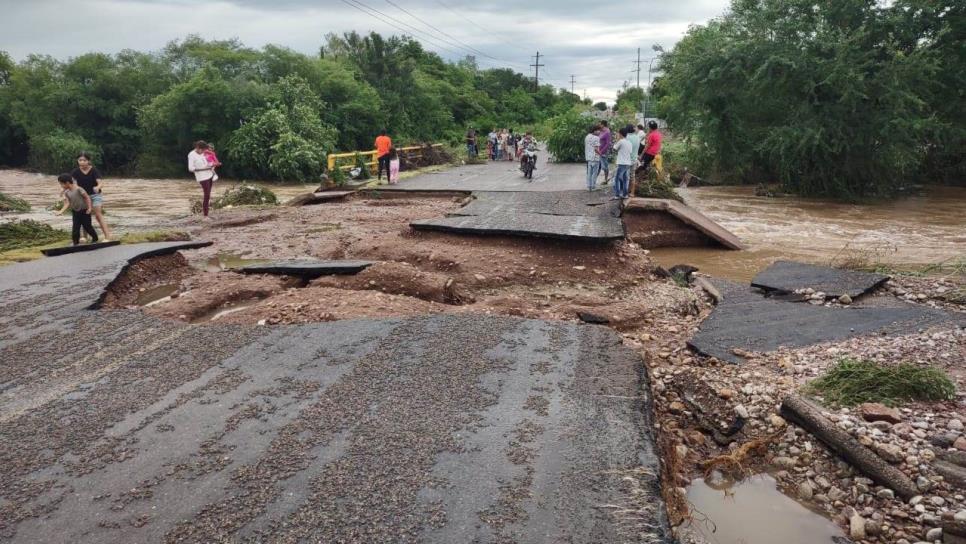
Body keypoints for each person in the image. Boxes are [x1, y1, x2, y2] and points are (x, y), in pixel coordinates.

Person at [71, 152, 112, 241]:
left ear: (88, 161)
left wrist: (98, 187)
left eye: (84, 160)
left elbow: (100, 183)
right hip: (83, 197)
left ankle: (107, 237)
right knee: (84, 216)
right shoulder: (75, 172)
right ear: (77, 161)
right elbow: (73, 184)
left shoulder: (94, 170)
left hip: (95, 195)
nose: (82, 162)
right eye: (80, 160)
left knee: (98, 215)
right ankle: (84, 237)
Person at [56, 173, 97, 245]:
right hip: (75, 212)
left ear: (67, 183)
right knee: (75, 229)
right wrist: (61, 211)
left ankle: (95, 238)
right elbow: (67, 203)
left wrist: (90, 208)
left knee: (88, 227)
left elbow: (87, 197)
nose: (61, 186)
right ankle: (75, 243)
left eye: (61, 184)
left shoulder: (79, 189)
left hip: (85, 211)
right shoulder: (67, 192)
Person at [188, 140, 216, 220]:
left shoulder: (204, 153)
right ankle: (205, 215)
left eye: (204, 150)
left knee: (208, 195)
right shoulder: (191, 155)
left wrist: (212, 164)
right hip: (202, 177)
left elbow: (207, 163)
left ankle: (206, 214)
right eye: (202, 150)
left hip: (209, 174)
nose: (204, 152)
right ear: (197, 148)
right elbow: (190, 168)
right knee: (206, 194)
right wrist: (203, 169)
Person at [612, 127, 633, 199]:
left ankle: (617, 195)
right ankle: (625, 194)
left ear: (620, 134)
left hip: (622, 163)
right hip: (628, 163)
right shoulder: (629, 142)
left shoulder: (620, 141)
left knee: (617, 179)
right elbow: (630, 152)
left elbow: (614, 148)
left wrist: (617, 140)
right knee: (625, 179)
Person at [624, 124, 642, 197]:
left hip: (627, 160)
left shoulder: (626, 138)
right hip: (634, 159)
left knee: (625, 177)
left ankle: (625, 192)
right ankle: (632, 193)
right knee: (632, 176)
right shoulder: (637, 137)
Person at [584, 125, 601, 191]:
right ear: (595, 130)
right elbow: (596, 149)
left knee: (589, 173)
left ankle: (589, 186)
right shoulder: (596, 138)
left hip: (589, 157)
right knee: (594, 173)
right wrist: (601, 154)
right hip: (595, 158)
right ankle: (593, 186)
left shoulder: (587, 137)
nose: (599, 132)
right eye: (598, 130)